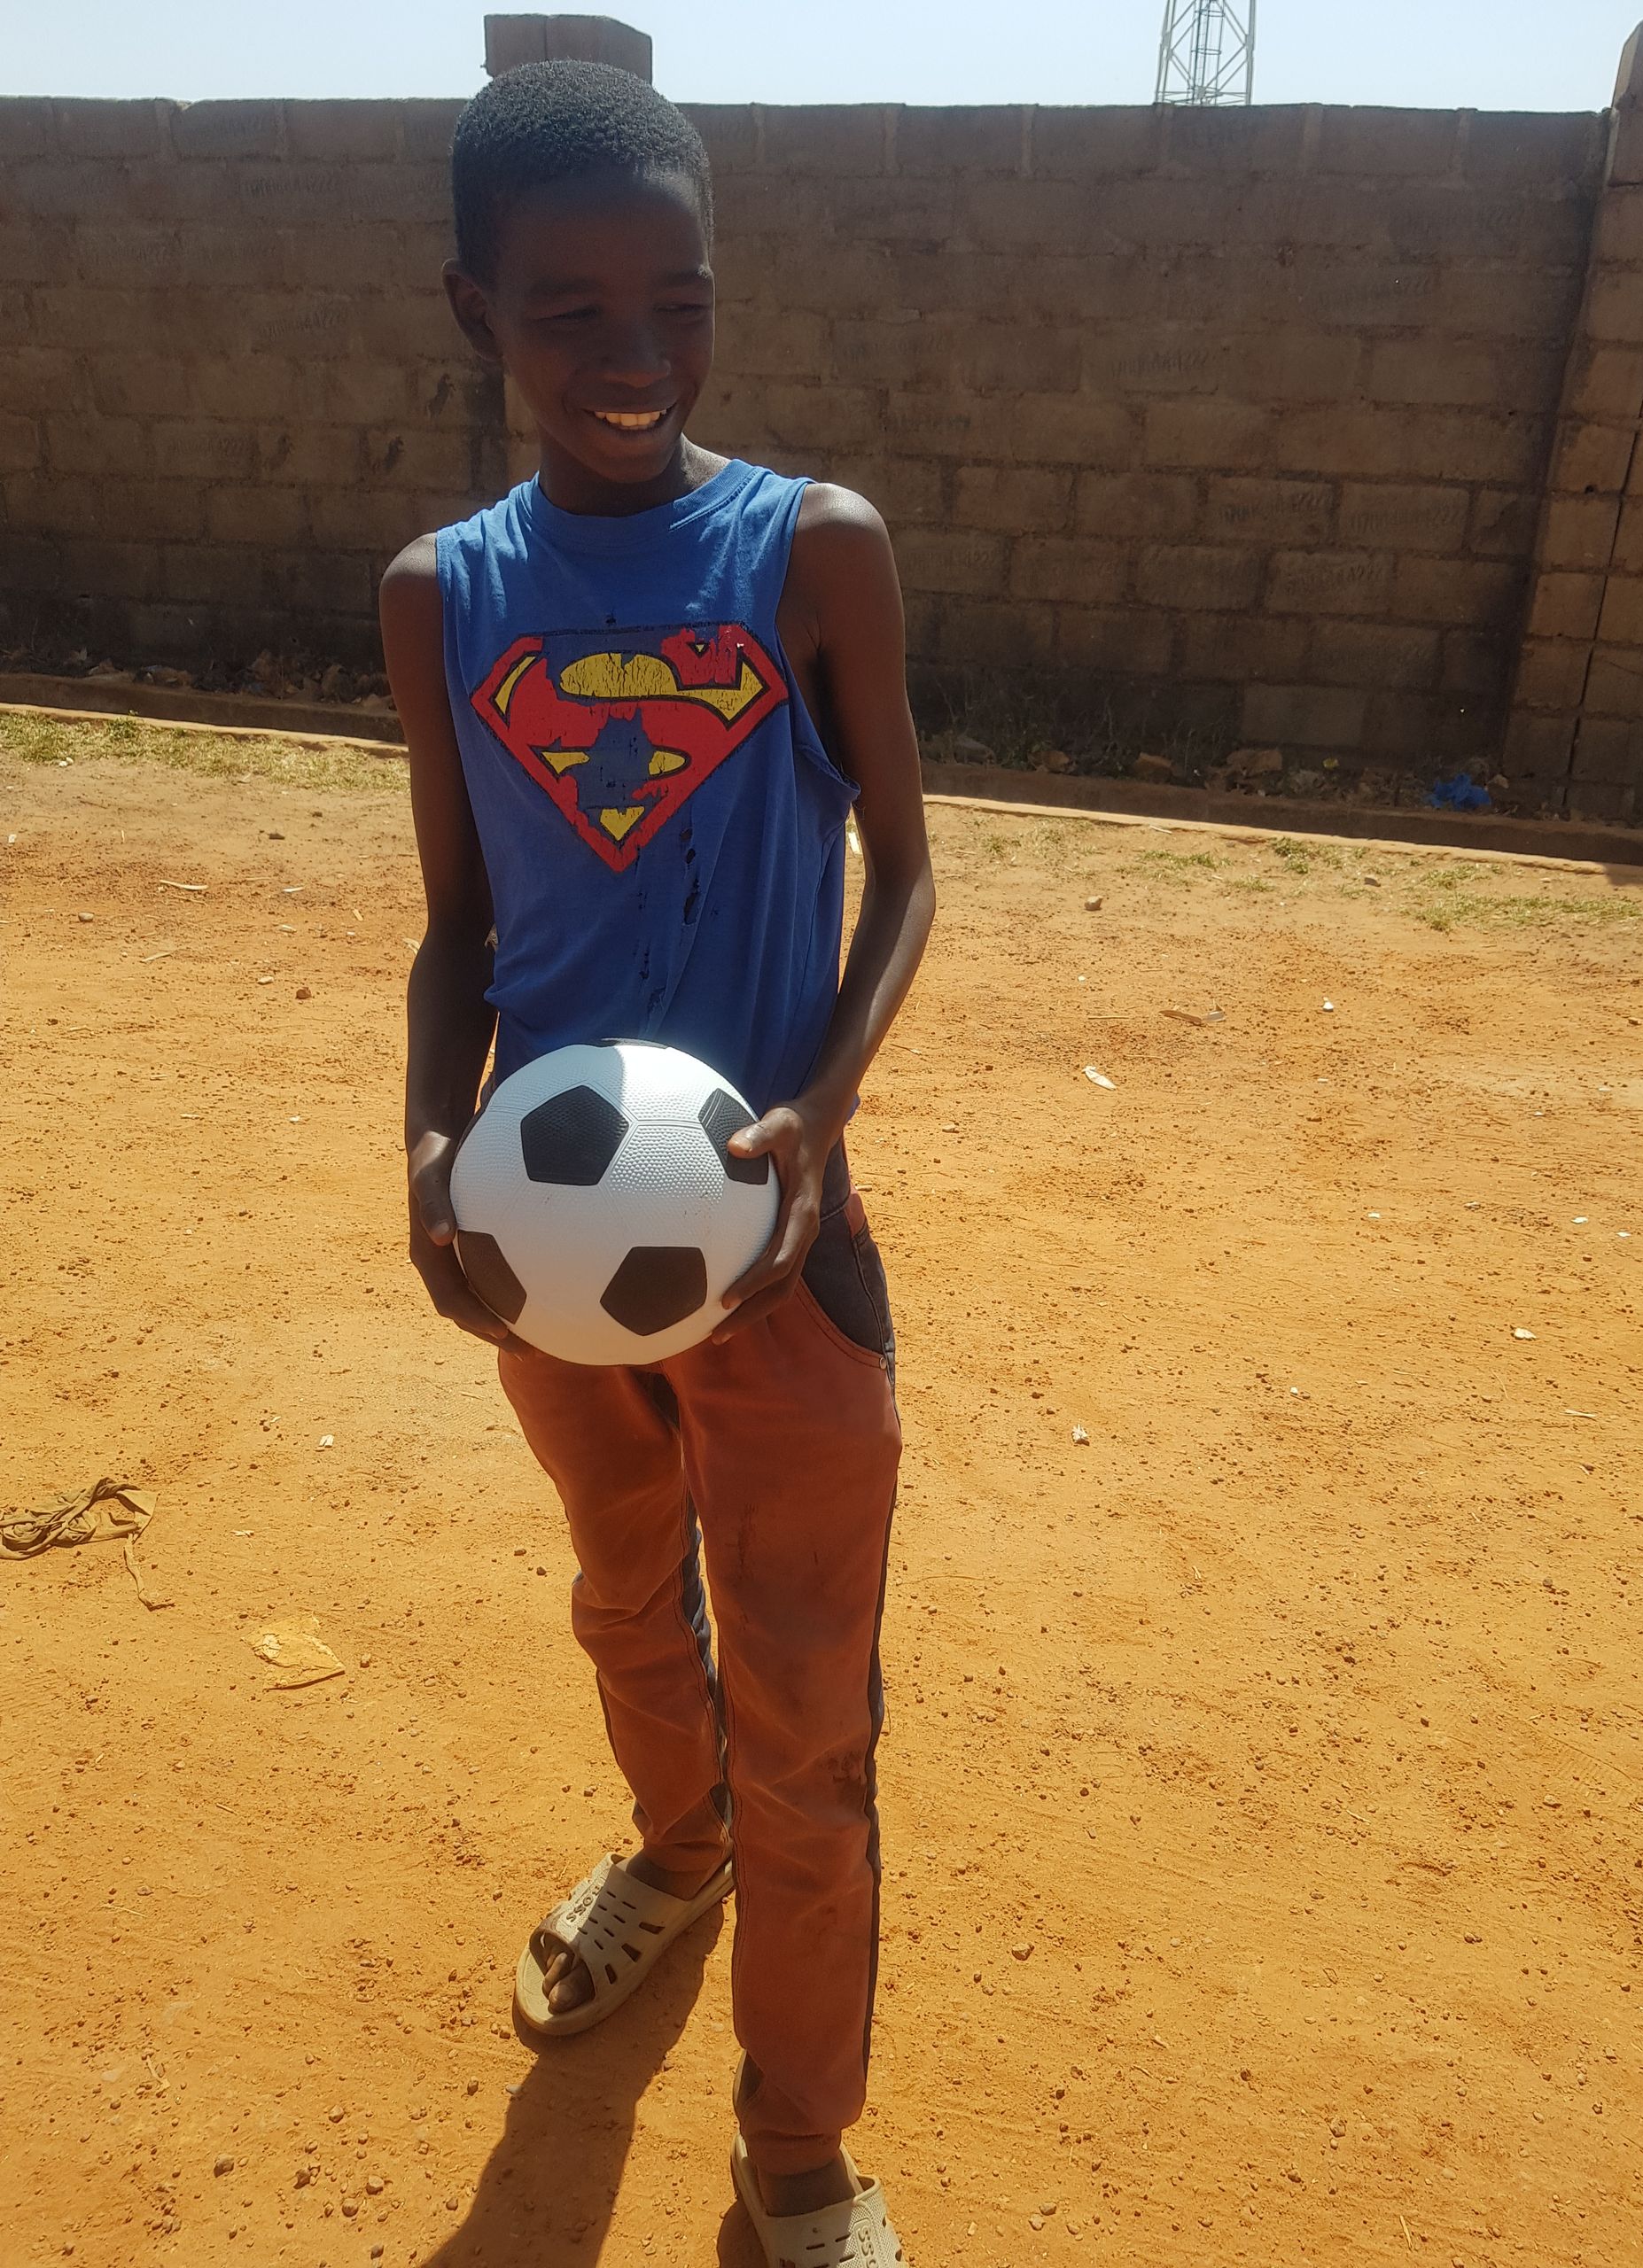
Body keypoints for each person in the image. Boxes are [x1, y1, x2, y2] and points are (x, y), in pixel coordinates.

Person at [379, 58, 933, 2268]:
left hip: (776, 1242)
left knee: (813, 1715)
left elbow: (909, 872)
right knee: (625, 1588)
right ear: (475, 312)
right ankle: (671, 1849)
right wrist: (430, 1133)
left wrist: (827, 1107)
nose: (634, 354)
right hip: (546, 1243)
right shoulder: (444, 593)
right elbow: (457, 922)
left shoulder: (811, 549)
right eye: (571, 310)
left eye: (677, 302)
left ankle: (797, 2150)